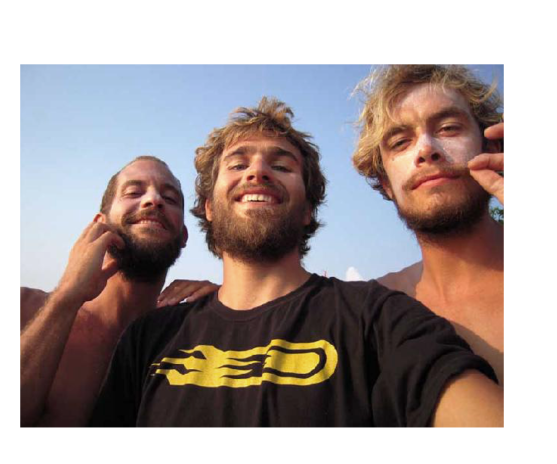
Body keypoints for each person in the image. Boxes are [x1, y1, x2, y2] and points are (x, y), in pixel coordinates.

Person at [89, 98, 504, 428]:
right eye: (238, 164)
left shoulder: (377, 316)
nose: (258, 172)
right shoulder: (148, 338)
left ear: (308, 209)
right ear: (209, 207)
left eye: (281, 165)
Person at [19, 156, 217, 428]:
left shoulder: (190, 338)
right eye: (134, 192)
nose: (154, 200)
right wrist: (65, 298)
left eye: (170, 199)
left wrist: (231, 305)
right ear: (99, 224)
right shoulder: (25, 307)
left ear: (183, 237)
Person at [352, 64, 504, 385]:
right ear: (386, 183)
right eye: (400, 143)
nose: (425, 150)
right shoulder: (368, 310)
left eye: (448, 128)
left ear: (491, 148)